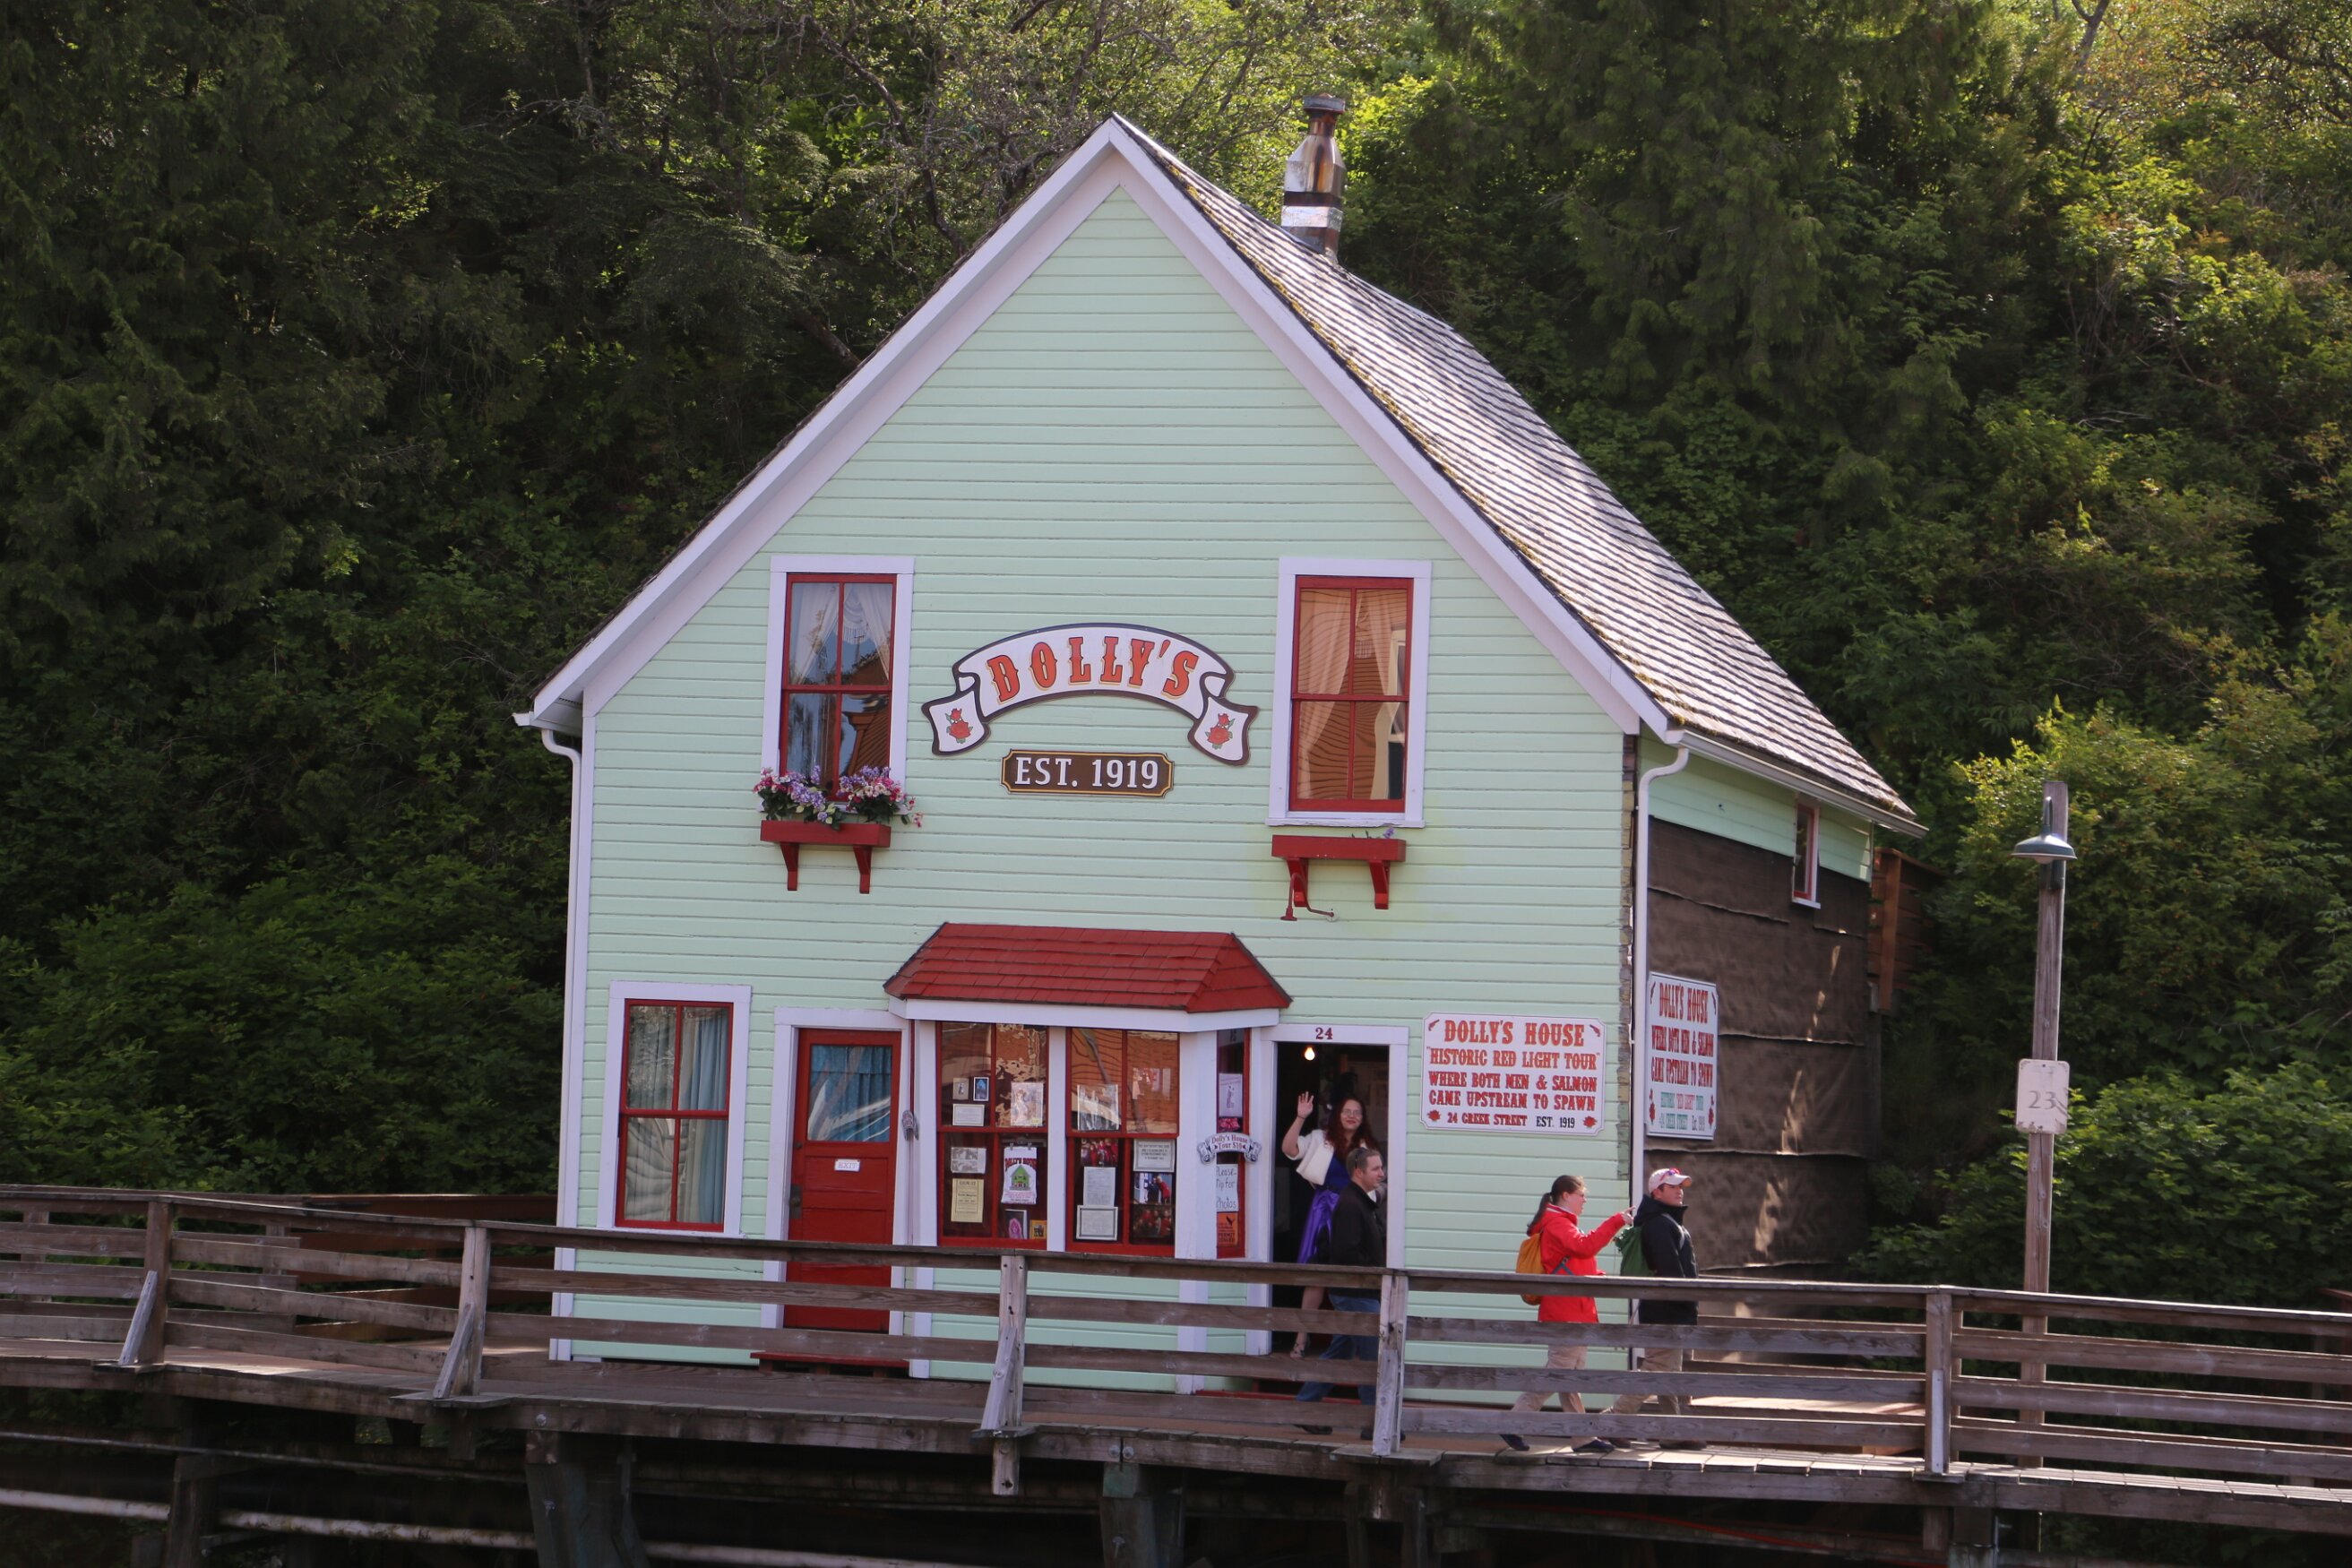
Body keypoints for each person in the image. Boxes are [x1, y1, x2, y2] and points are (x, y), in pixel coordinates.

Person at [1500, 1175, 1633, 1454]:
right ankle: (1514, 1421)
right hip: (1566, 1312)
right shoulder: (1559, 1223)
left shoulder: (1559, 1223)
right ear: (1565, 1195)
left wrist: (1594, 1275)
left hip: (1571, 1310)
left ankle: (1581, 1437)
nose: (1584, 1200)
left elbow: (1573, 1259)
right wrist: (1616, 1221)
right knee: (1559, 1373)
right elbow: (1584, 1246)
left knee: (1570, 1377)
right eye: (1581, 1194)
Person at [1609, 1167, 1704, 1449]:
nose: (1679, 1191)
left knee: (1668, 1371)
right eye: (1672, 1186)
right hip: (1667, 1310)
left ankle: (1672, 1432)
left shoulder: (1663, 1221)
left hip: (1667, 1309)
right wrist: (1687, 1302)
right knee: (1657, 1370)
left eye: (1680, 1186)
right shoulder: (1660, 1225)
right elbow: (1671, 1272)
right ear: (1657, 1192)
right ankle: (1610, 1421)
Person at [1281, 1090, 1379, 1357]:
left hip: (1353, 1213)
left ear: (1363, 1118)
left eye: (1357, 1112)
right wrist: (1301, 1117)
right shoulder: (1319, 1139)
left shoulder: (1367, 1147)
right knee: (1317, 1275)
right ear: (1337, 1114)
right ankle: (1301, 1339)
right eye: (1347, 1111)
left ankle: (1350, 1345)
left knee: (1349, 1277)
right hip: (1324, 1210)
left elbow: (1378, 1181)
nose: (1352, 1116)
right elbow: (1289, 1149)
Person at [1295, 1145, 1386, 1414]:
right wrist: (1373, 1272)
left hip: (1358, 1291)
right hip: (1356, 1292)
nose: (1382, 1173)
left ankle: (1305, 1406)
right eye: (1376, 1169)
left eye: (1381, 1168)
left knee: (1340, 1352)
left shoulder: (1360, 1202)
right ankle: (1371, 1421)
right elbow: (1347, 1252)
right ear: (1359, 1172)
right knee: (1371, 1357)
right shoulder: (1350, 1205)